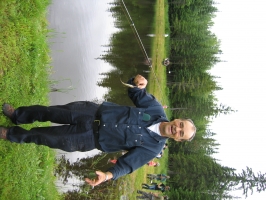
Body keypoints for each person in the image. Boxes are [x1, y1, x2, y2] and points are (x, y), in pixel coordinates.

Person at [0, 74, 196, 186]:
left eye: (180, 133)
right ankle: (18, 115)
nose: (177, 129)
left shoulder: (153, 149)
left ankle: (10, 134)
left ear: (177, 140)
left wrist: (107, 176)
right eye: (180, 125)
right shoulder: (156, 108)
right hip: (90, 112)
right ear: (178, 120)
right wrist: (138, 82)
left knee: (43, 137)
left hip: (87, 139)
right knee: (50, 112)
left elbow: (126, 166)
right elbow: (135, 91)